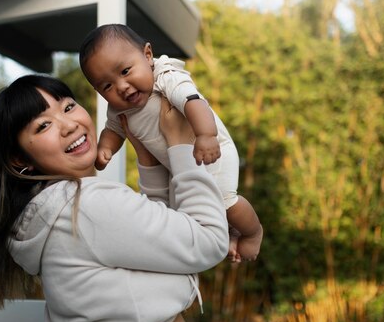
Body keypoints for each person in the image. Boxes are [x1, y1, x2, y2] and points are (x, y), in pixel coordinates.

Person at [0, 74, 229, 322]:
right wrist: (182, 145)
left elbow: (163, 245)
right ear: (20, 159)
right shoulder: (86, 205)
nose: (68, 124)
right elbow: (209, 241)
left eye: (67, 107)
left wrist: (146, 160)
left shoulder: (56, 211)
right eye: (42, 126)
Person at [79, 24, 262, 262]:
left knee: (225, 201)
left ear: (147, 55)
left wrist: (206, 135)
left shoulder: (165, 78)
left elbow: (194, 102)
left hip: (210, 150)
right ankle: (229, 232)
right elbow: (113, 130)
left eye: (125, 71)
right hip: (177, 166)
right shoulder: (118, 109)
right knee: (186, 212)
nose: (121, 87)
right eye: (107, 86)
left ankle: (253, 232)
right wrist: (105, 148)